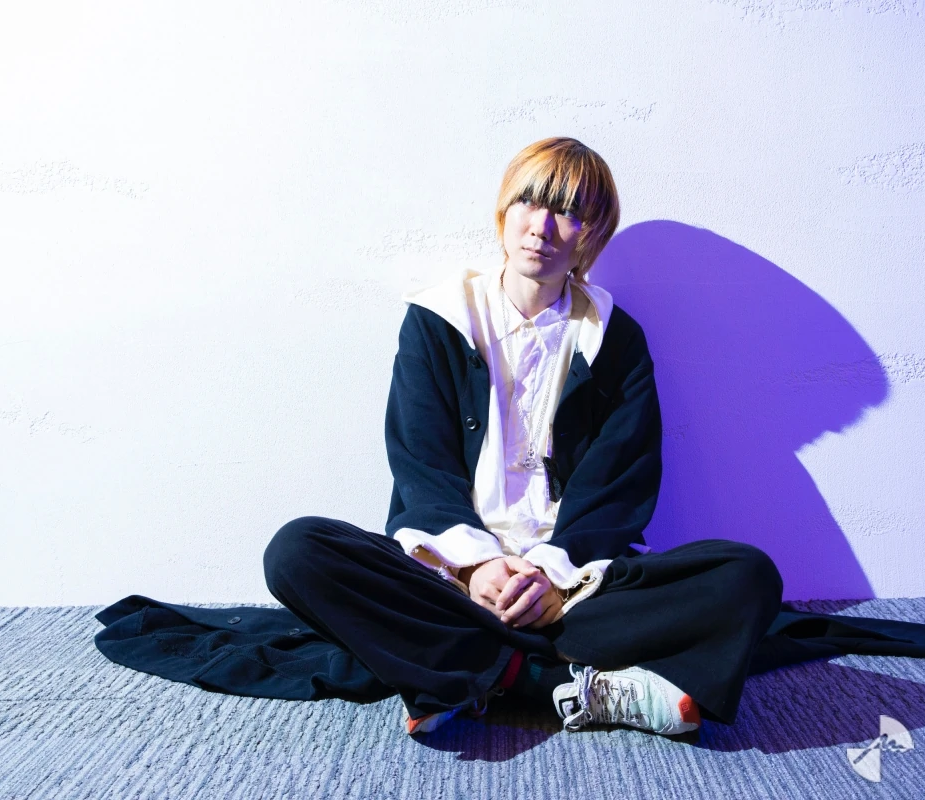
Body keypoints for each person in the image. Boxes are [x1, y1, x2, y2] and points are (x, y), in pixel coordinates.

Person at [261, 137, 786, 737]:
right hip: (448, 579)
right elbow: (420, 465)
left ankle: (457, 664)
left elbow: (620, 483)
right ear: (503, 213)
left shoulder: (617, 339)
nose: (541, 226)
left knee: (749, 576)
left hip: (574, 588)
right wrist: (477, 567)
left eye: (568, 211)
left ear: (592, 234)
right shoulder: (437, 320)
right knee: (297, 551)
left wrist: (551, 579)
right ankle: (553, 683)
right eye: (529, 202)